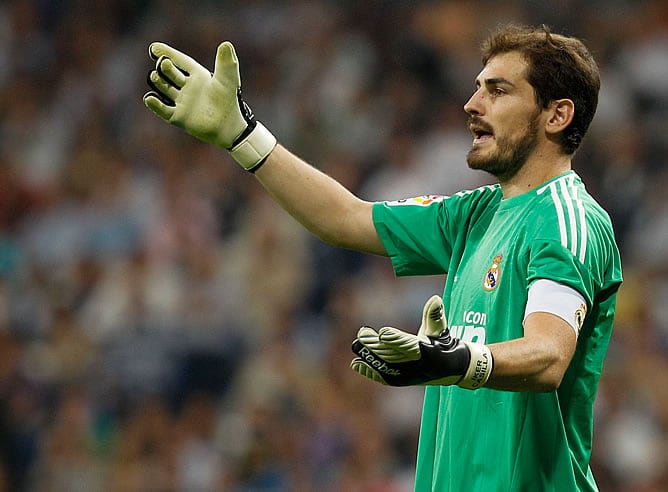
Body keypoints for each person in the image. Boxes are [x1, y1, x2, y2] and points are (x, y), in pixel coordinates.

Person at [143, 23, 622, 491]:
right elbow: (346, 218)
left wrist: (459, 359)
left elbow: (550, 355)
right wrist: (242, 136)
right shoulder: (476, 214)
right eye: (478, 88)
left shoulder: (566, 221)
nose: (472, 105)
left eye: (497, 91)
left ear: (556, 116)